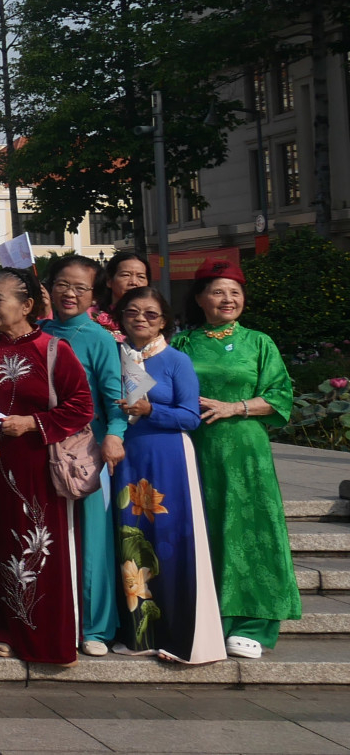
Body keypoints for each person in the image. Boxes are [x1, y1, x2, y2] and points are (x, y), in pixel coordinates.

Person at [174, 259, 300, 659]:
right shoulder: (181, 344)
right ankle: (202, 618)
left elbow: (280, 396)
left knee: (249, 532)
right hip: (193, 450)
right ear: (199, 298)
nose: (228, 299)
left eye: (235, 292)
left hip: (246, 453)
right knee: (201, 529)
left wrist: (235, 408)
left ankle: (252, 624)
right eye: (217, 291)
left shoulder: (259, 343)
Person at [0, 270, 93, 665]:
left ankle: (46, 637)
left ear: (26, 306)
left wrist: (31, 423)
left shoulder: (53, 349)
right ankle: (4, 628)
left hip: (39, 465)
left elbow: (81, 405)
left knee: (41, 547)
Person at [112, 286, 224, 664]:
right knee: (131, 542)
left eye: (151, 314)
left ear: (165, 321)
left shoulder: (177, 361)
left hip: (169, 457)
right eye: (132, 312)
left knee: (171, 542)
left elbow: (190, 416)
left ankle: (180, 636)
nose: (141, 319)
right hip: (127, 458)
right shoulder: (116, 357)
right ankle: (137, 634)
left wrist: (149, 410)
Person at [41, 254, 126, 657]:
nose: (70, 294)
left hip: (85, 451)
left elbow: (114, 399)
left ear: (94, 295)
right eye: (62, 284)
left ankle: (95, 626)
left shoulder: (99, 339)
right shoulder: (39, 332)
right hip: (41, 447)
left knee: (92, 541)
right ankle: (53, 618)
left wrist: (115, 436)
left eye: (80, 288)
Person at [91, 252, 150, 339]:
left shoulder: (154, 318)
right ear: (109, 281)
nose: (134, 282)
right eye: (125, 275)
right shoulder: (90, 316)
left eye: (140, 277)